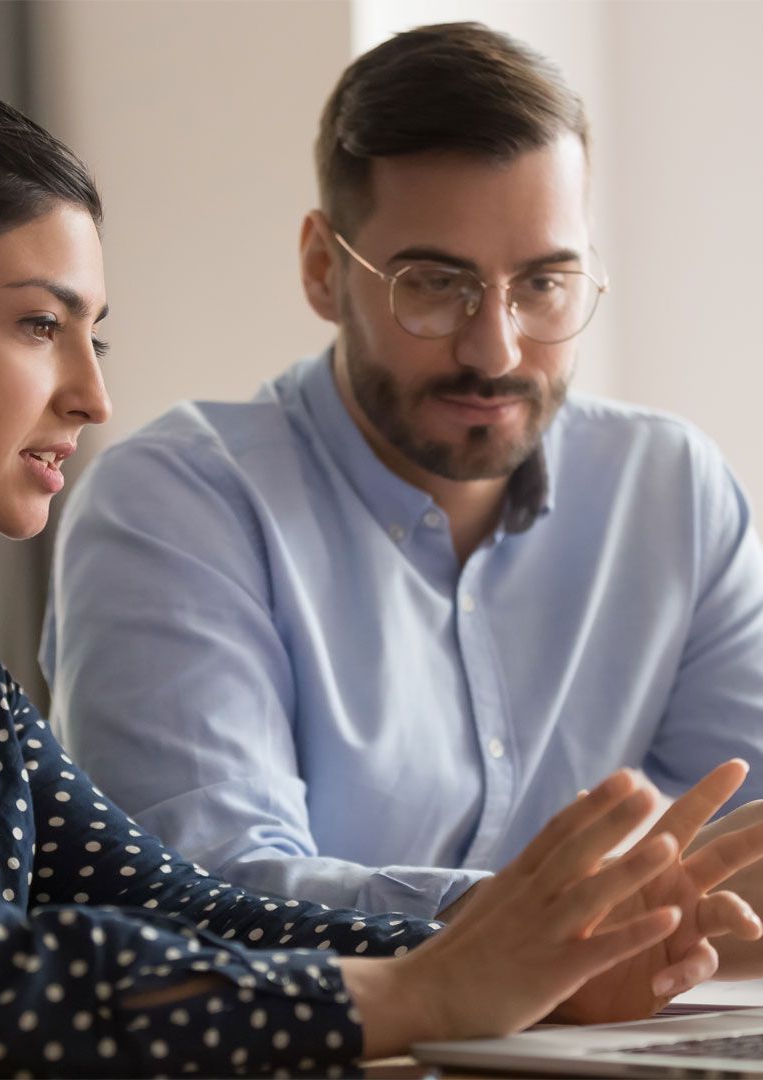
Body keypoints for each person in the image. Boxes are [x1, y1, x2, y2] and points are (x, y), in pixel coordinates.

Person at [0, 76, 763, 1080]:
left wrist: (524, 959)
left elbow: (176, 905)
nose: (93, 395)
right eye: (41, 325)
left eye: (96, 334)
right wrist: (424, 994)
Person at [42, 21, 763, 974]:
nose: (494, 350)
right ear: (322, 268)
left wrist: (623, 920)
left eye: (544, 284)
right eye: (435, 284)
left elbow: (735, 851)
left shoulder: (673, 492)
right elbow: (208, 893)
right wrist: (549, 925)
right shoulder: (174, 505)